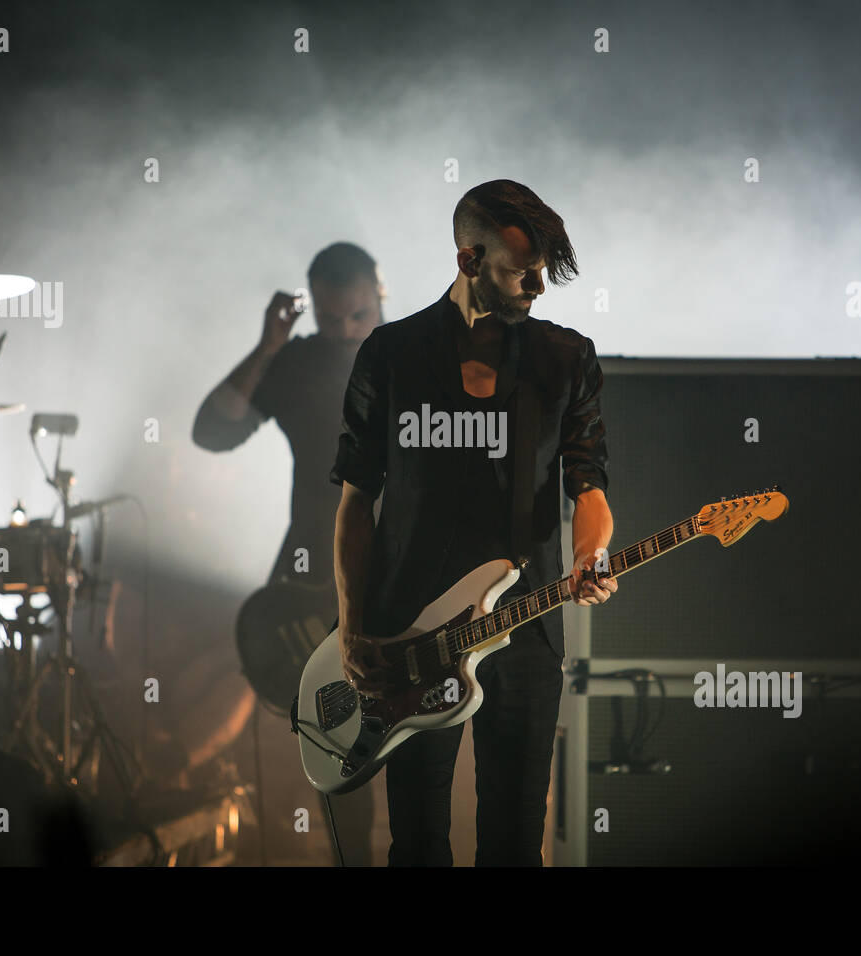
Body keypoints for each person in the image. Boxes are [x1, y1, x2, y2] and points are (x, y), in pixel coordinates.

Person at [330, 180, 619, 866]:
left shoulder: (564, 359)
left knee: (516, 842)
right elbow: (354, 503)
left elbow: (590, 486)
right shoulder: (391, 355)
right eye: (522, 271)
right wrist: (351, 625)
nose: (539, 286)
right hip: (409, 635)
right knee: (419, 844)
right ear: (468, 261)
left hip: (525, 628)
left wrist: (593, 554)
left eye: (544, 269)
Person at [193, 241, 385, 865]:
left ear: (379, 293)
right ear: (314, 313)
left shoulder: (419, 356)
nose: (348, 331)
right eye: (333, 321)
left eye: (359, 316)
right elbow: (213, 429)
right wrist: (269, 347)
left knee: (412, 736)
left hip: (403, 575)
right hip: (315, 579)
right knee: (337, 745)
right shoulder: (299, 364)